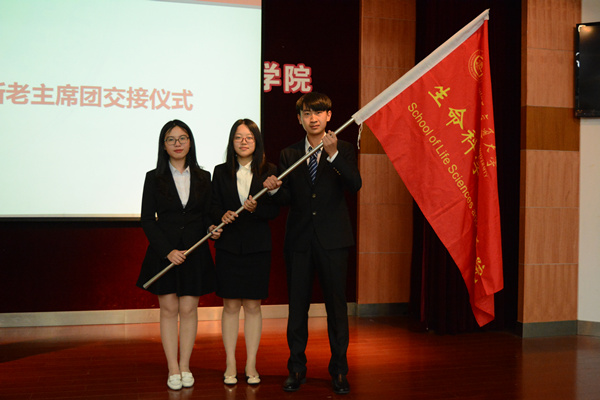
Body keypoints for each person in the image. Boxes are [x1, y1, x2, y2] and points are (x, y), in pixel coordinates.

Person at [263, 92, 362, 395]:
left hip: (334, 241)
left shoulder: (343, 149)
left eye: (319, 113)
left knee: (337, 308)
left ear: (329, 116)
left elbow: (354, 184)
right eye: (307, 114)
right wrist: (274, 190)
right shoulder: (289, 153)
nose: (313, 118)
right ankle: (296, 369)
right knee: (297, 308)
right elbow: (287, 198)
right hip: (300, 241)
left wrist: (332, 155)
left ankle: (339, 371)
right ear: (299, 119)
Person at [136, 119, 222, 391]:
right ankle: (172, 367)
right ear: (163, 145)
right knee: (169, 309)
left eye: (182, 138)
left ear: (190, 142)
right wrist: (167, 251)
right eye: (171, 139)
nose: (177, 144)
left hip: (194, 251)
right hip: (165, 253)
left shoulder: (203, 177)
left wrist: (212, 228)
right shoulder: (153, 177)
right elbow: (147, 219)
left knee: (188, 309)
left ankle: (185, 365)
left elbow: (206, 215)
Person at [211, 119, 279, 386]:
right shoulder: (220, 171)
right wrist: (221, 215)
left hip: (257, 248)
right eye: (238, 137)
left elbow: (275, 210)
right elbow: (212, 205)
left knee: (252, 306)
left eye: (249, 137)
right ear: (232, 142)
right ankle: (230, 363)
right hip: (228, 247)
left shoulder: (269, 171)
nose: (243, 142)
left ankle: (251, 363)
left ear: (256, 141)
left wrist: (257, 208)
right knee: (230, 306)